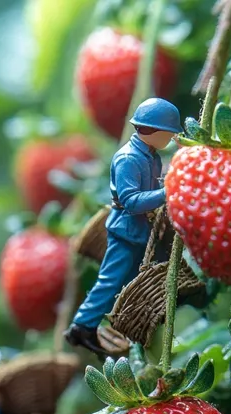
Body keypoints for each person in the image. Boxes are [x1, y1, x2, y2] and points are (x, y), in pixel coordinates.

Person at [65, 98, 182, 355]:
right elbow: (131, 201)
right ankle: (82, 327)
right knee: (111, 280)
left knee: (134, 283)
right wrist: (167, 191)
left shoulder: (149, 155)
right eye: (169, 133)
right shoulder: (128, 159)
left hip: (142, 230)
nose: (171, 138)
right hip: (126, 230)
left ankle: (124, 328)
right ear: (152, 131)